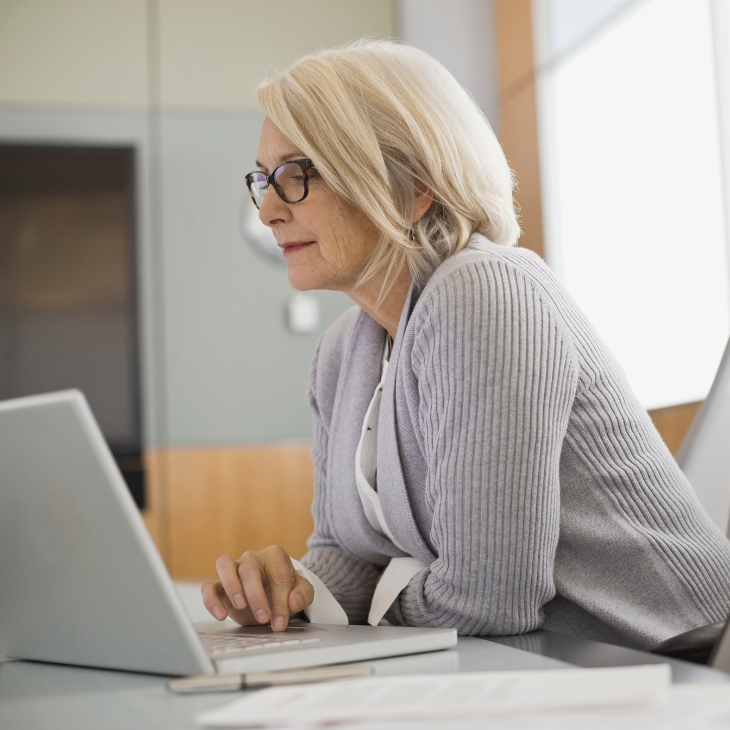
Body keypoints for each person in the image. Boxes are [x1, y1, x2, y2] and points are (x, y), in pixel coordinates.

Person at [201, 39, 730, 649]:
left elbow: (486, 599)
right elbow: (350, 557)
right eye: (263, 179)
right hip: (536, 670)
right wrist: (287, 593)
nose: (267, 210)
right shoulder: (342, 353)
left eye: (297, 176)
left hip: (669, 666)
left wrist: (368, 615)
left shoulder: (484, 291)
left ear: (411, 186)